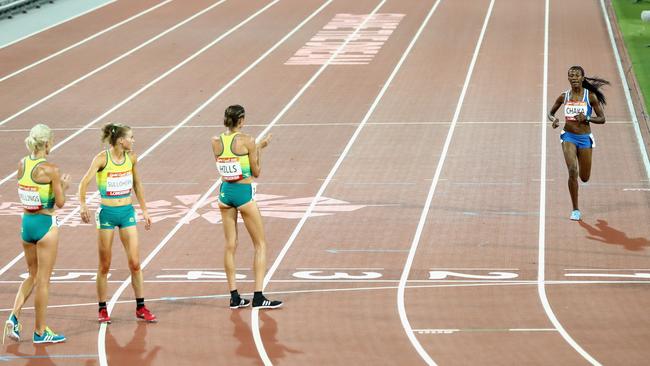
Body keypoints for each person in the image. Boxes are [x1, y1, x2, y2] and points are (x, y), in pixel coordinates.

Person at [78, 123, 156, 323]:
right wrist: (83, 205)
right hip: (107, 214)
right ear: (121, 140)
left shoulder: (131, 158)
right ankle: (102, 309)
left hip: (126, 212)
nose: (134, 140)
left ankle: (141, 307)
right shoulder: (102, 159)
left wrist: (144, 210)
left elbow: (137, 184)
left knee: (135, 263)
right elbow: (84, 183)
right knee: (104, 265)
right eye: (131, 137)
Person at [4, 124, 69, 344]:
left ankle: (14, 316)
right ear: (48, 143)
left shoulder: (22, 164)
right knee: (43, 281)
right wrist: (64, 186)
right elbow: (60, 203)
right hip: (45, 224)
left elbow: (24, 189)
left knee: (32, 275)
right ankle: (40, 331)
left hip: (27, 225)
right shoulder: (51, 170)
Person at [212, 105, 282, 309]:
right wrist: (259, 149)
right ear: (241, 120)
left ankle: (234, 296)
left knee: (230, 245)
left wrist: (257, 146)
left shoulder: (215, 141)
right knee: (260, 244)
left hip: (225, 194)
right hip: (243, 195)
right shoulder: (248, 140)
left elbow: (229, 162)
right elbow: (256, 171)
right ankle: (259, 296)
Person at [548, 65, 609, 221]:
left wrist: (587, 118)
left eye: (577, 75)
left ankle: (582, 174)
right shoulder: (564, 96)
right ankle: (575, 209)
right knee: (572, 170)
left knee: (584, 177)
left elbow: (602, 119)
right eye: (571, 75)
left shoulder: (590, 97)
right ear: (568, 78)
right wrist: (554, 119)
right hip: (568, 136)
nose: (574, 78)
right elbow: (551, 112)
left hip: (584, 138)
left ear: (582, 78)